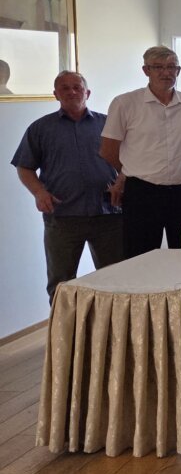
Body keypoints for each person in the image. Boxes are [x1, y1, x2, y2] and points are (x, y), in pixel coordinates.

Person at [12, 71, 123, 303]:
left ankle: (114, 327)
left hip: (108, 216)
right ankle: (64, 327)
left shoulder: (108, 125)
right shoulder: (40, 128)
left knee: (116, 281)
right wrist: (39, 192)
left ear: (87, 93)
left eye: (77, 87)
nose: (72, 92)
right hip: (62, 217)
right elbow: (24, 167)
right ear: (55, 94)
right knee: (61, 284)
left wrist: (122, 181)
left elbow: (131, 160)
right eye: (65, 88)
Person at [100, 46, 181, 257]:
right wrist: (132, 169)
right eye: (158, 67)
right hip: (142, 193)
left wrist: (176, 165)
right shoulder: (125, 103)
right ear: (146, 70)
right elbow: (108, 150)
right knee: (139, 257)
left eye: (171, 67)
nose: (165, 73)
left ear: (178, 71)